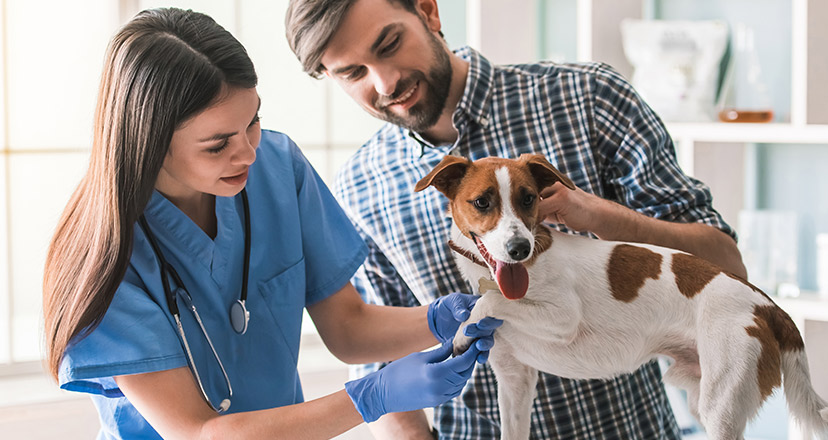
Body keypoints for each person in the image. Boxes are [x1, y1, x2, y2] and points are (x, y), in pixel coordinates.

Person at [284, 0, 748, 439]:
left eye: (388, 44)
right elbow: (379, 357)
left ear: (427, 10)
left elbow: (728, 267)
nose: (385, 82)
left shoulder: (587, 98)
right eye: (352, 72)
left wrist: (607, 219)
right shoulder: (361, 186)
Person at [42, 8, 502, 439]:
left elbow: (348, 328)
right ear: (150, 144)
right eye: (218, 144)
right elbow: (200, 433)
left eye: (253, 120)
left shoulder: (278, 168)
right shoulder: (103, 250)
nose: (247, 152)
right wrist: (372, 396)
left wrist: (445, 318)